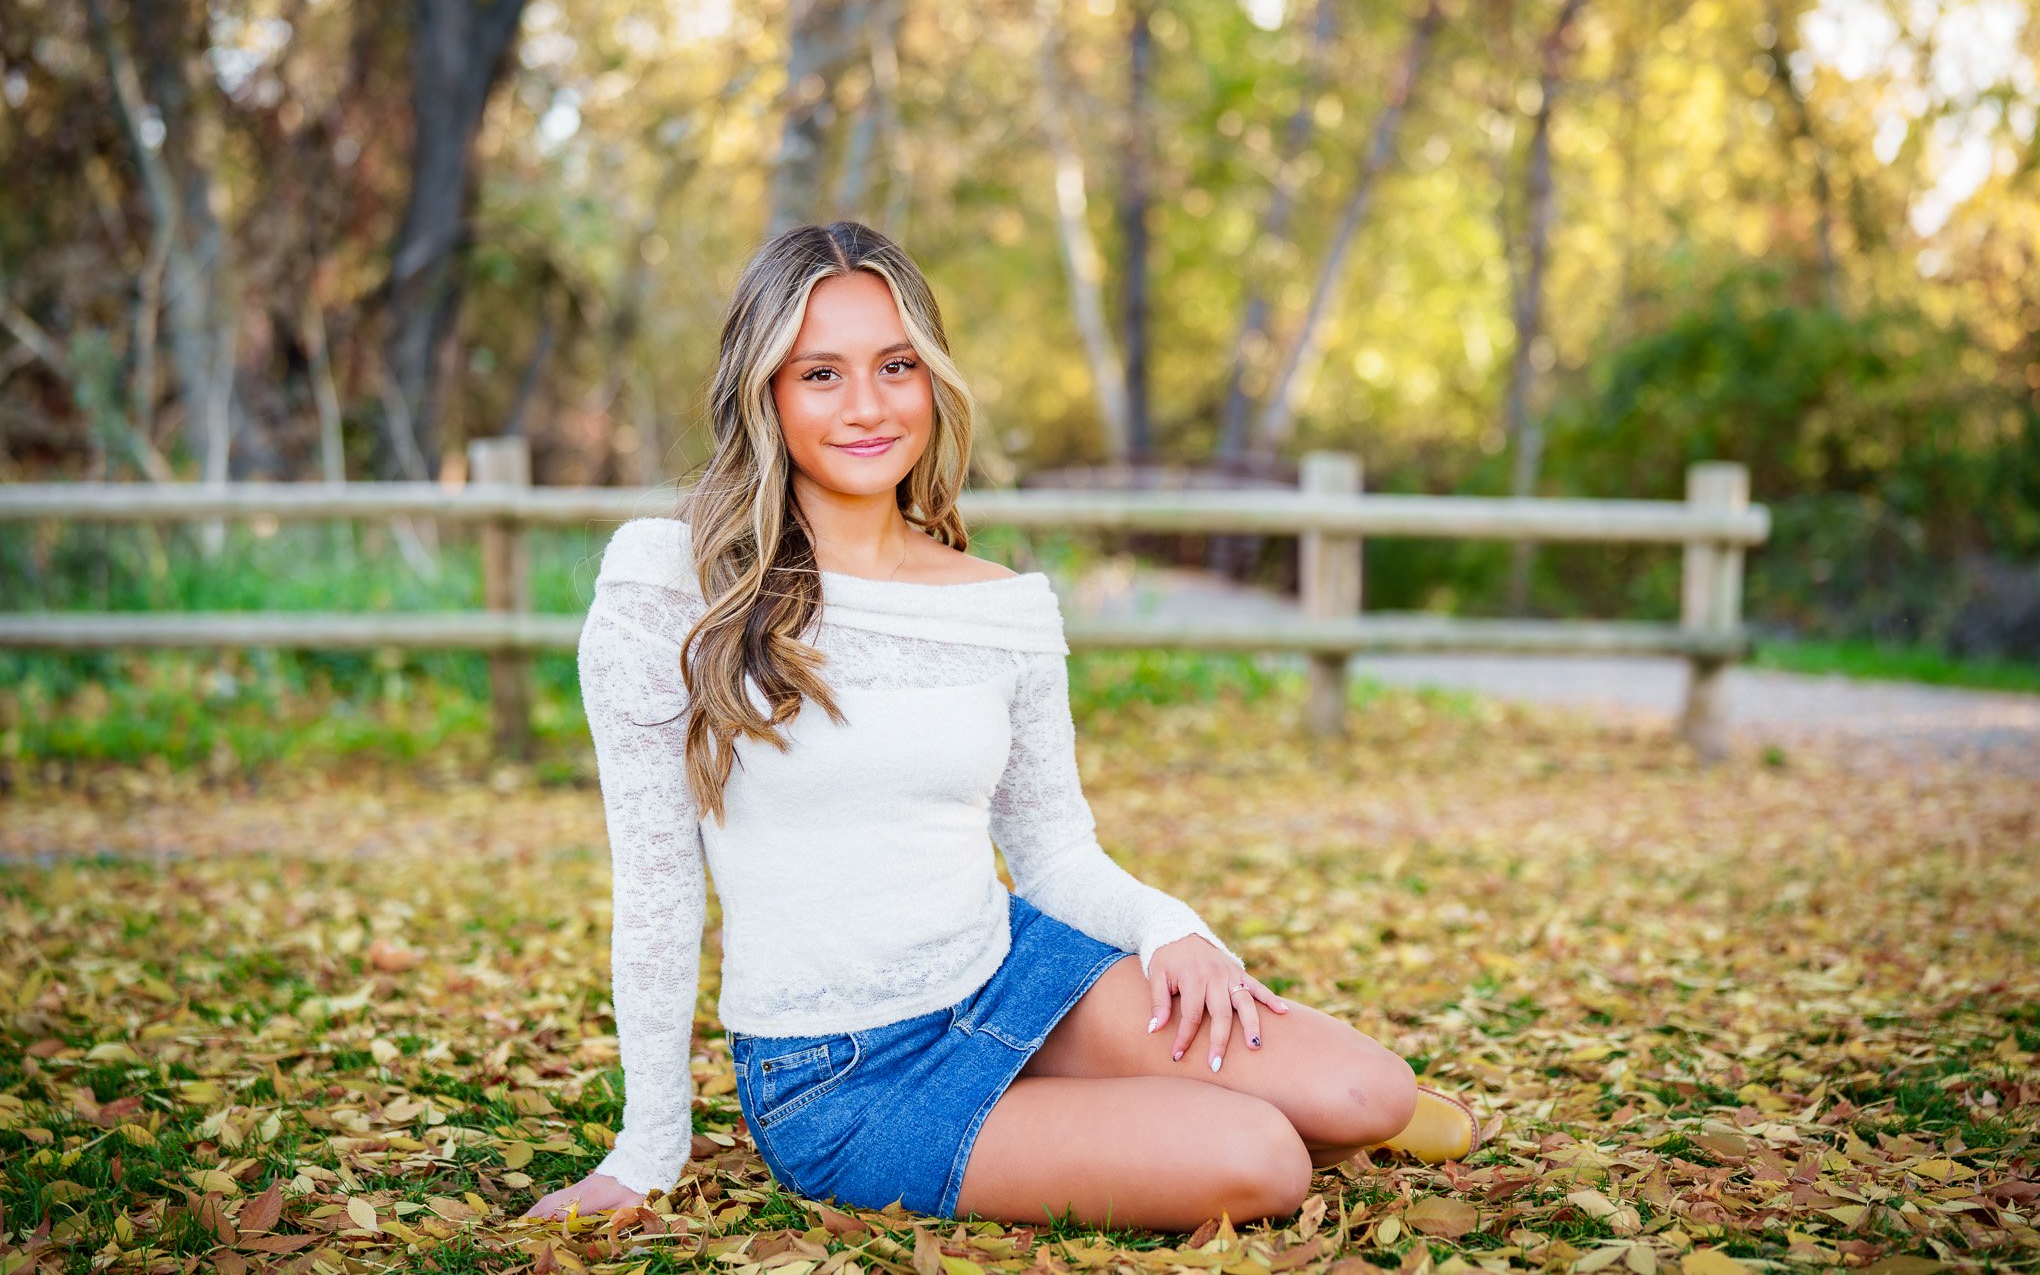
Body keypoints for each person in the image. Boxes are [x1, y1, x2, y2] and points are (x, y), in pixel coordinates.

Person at [525, 221, 1477, 1231]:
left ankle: (1220, 1111)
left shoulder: (1002, 605)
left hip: (1012, 973)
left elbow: (1053, 850)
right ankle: (1188, 1124)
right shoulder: (668, 585)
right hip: (843, 1072)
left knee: (1366, 1091)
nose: (866, 406)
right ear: (765, 394)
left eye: (894, 365)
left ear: (932, 377)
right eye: (820, 374)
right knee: (1264, 1165)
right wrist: (649, 1149)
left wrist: (1173, 929)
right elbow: (657, 888)